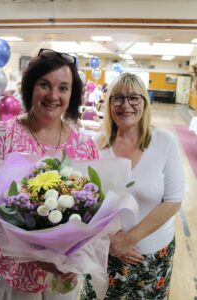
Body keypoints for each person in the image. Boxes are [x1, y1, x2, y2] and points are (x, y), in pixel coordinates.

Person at [0, 48, 98, 300]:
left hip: (64, 275)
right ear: (30, 87)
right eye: (45, 84)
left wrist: (71, 256)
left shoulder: (84, 146)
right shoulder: (3, 136)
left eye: (63, 88)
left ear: (72, 94)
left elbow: (94, 213)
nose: (53, 95)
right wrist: (36, 254)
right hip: (13, 272)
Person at [81, 72, 185, 300]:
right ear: (108, 105)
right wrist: (111, 239)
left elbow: (173, 200)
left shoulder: (164, 142)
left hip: (151, 254)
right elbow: (86, 201)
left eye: (133, 98)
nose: (125, 105)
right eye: (117, 98)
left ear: (144, 103)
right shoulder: (96, 145)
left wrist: (129, 239)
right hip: (104, 250)